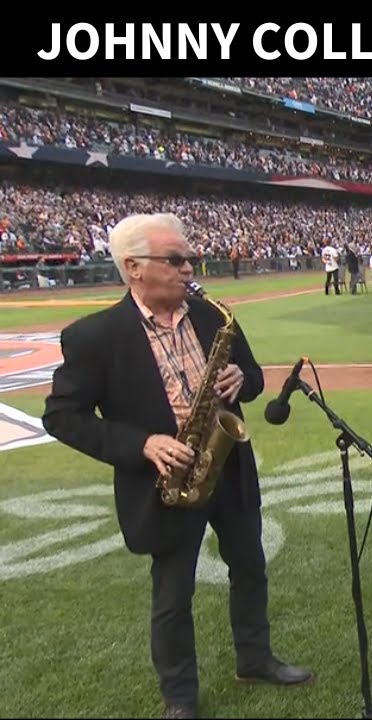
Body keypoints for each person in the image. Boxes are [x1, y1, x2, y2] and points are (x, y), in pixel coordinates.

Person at [41, 213, 312, 720]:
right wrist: (144, 444)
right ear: (134, 268)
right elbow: (61, 416)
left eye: (189, 257)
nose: (189, 267)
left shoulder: (212, 314)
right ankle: (180, 697)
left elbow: (252, 379)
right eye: (176, 259)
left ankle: (255, 659)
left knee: (250, 568)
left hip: (226, 468)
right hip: (164, 480)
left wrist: (241, 379)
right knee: (173, 595)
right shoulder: (94, 337)